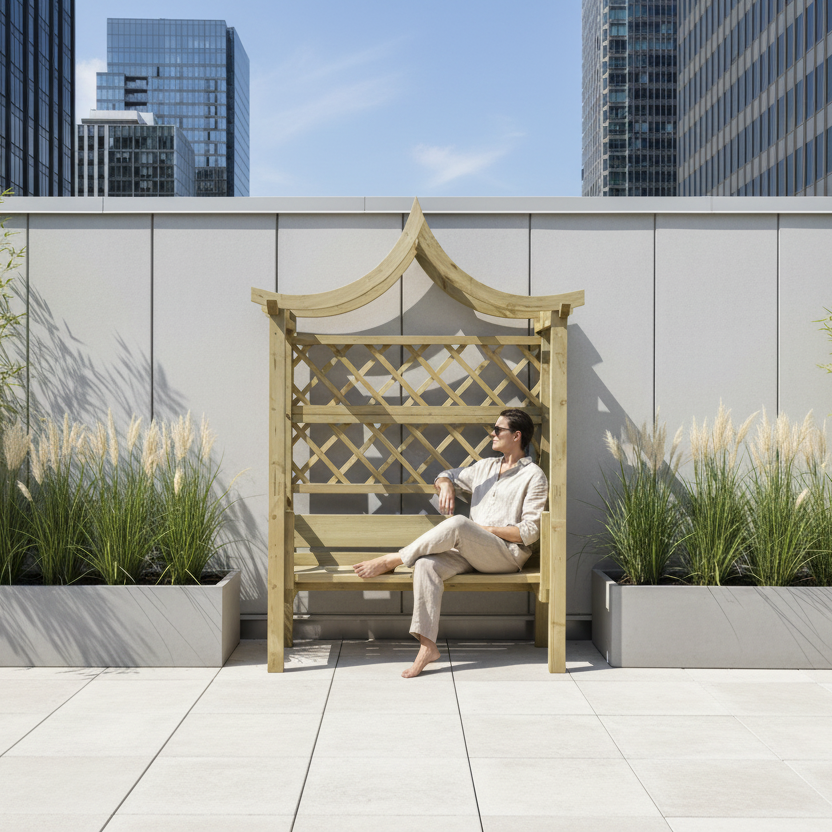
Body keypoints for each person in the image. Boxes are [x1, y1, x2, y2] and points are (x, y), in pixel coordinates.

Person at [353, 408, 548, 678]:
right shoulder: (485, 467)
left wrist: (483, 529)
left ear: (516, 436)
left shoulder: (534, 476)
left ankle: (393, 559)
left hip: (505, 556)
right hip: (470, 553)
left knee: (458, 523)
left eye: (498, 430)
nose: (492, 434)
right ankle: (427, 647)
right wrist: (445, 484)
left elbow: (530, 531)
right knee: (425, 565)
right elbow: (448, 474)